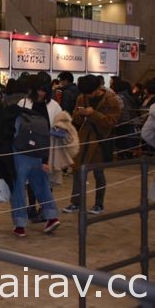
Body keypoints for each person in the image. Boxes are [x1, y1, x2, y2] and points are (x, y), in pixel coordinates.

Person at [11, 72, 61, 236]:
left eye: (44, 89)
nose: (41, 93)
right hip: (22, 152)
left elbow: (59, 133)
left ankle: (50, 217)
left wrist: (50, 159)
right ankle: (21, 223)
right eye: (39, 89)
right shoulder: (23, 102)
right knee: (20, 187)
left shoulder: (53, 106)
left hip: (38, 154)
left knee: (40, 186)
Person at [63, 75, 121, 215]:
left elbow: (111, 122)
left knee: (98, 173)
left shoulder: (111, 100)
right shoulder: (82, 97)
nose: (87, 95)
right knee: (78, 171)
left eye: (89, 92)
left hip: (101, 141)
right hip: (84, 140)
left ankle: (99, 204)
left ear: (97, 88)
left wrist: (93, 114)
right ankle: (75, 202)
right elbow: (75, 117)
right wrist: (81, 114)